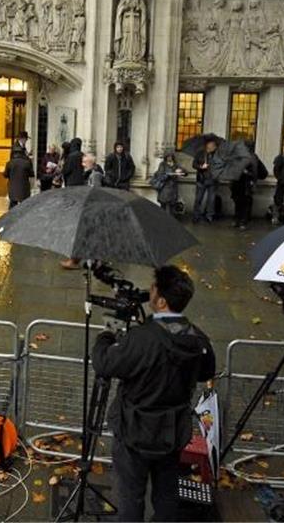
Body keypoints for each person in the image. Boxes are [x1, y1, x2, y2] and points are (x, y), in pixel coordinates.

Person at [92, 266, 215, 522]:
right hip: (172, 430)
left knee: (130, 496)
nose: (149, 290)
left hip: (134, 429)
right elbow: (206, 371)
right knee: (166, 493)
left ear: (160, 300)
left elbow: (105, 364)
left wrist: (105, 336)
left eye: (153, 287)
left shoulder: (142, 339)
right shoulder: (197, 339)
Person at [230, 146, 267, 230]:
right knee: (240, 203)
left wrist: (247, 173)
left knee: (244, 203)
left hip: (245, 184)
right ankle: (239, 220)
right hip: (240, 184)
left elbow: (261, 172)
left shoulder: (251, 158)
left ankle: (241, 221)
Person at [191, 138, 220, 223]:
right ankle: (196, 216)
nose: (214, 148)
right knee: (198, 199)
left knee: (211, 200)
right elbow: (194, 164)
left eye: (214, 146)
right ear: (208, 146)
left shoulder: (217, 155)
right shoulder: (200, 154)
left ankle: (209, 216)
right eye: (212, 146)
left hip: (213, 180)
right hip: (202, 180)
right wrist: (201, 167)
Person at [150, 151, 184, 217]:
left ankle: (171, 221)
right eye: (168, 156)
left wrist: (181, 171)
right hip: (164, 188)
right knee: (163, 206)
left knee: (172, 206)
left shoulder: (175, 164)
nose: (169, 158)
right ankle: (163, 219)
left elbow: (185, 173)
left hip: (173, 189)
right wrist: (168, 174)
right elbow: (160, 176)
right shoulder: (162, 164)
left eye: (171, 156)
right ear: (165, 157)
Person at [2, 143, 33, 209]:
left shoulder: (10, 163)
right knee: (24, 207)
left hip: (13, 188)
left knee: (12, 206)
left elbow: (5, 175)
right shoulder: (27, 163)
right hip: (24, 188)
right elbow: (32, 174)